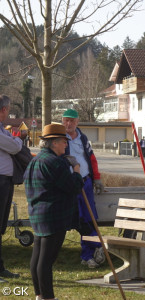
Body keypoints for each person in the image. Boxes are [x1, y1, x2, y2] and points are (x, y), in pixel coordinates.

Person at [24, 124, 83, 300]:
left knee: (37, 259)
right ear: (54, 143)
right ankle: (48, 297)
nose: (66, 145)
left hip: (38, 213)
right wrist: (77, 171)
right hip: (53, 216)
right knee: (46, 261)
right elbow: (73, 187)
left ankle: (39, 295)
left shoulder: (36, 160)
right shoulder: (54, 162)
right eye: (64, 141)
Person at [62, 109, 105, 268]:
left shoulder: (83, 137)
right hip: (70, 184)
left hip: (86, 182)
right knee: (80, 220)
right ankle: (96, 247)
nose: (68, 124)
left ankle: (87, 256)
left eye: (72, 121)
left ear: (77, 122)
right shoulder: (60, 138)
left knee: (89, 218)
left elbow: (92, 159)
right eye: (66, 120)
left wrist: (97, 178)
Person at [0, 95, 23, 281]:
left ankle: (0, 267)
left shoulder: (2, 129)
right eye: (7, 109)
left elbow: (13, 141)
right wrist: (17, 142)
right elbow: (15, 146)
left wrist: (16, 142)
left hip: (5, 181)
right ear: (4, 110)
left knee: (1, 226)